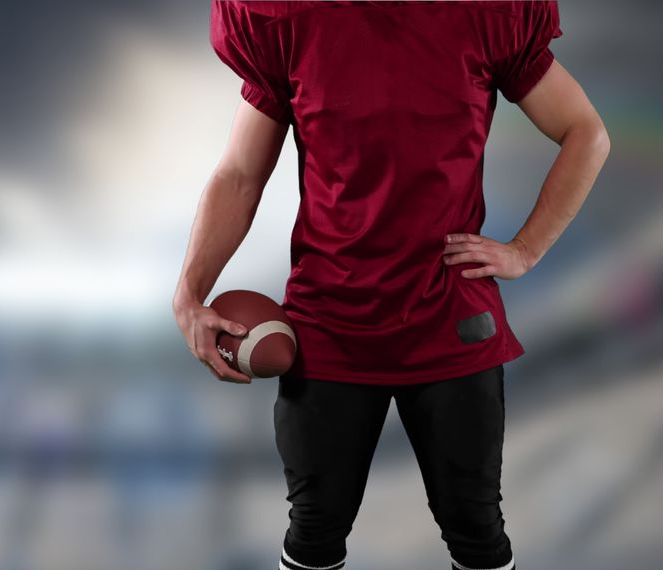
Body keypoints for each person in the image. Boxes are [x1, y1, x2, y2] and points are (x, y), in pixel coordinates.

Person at [171, 1, 610, 569]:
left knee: (476, 530)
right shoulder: (288, 15)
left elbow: (586, 133)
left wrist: (526, 250)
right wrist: (188, 295)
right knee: (314, 530)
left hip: (448, 317)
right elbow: (239, 174)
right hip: (330, 322)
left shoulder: (485, 12)